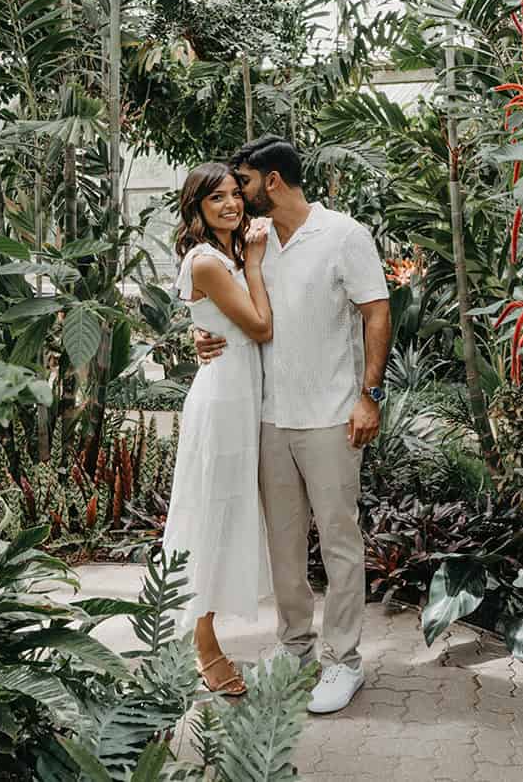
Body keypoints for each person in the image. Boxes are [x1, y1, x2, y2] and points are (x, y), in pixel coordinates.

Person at [194, 135, 392, 715]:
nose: (238, 195)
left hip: (331, 416)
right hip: (267, 417)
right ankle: (296, 649)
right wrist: (198, 336)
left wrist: (369, 397)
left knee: (339, 541)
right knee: (283, 545)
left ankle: (344, 662)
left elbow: (376, 312)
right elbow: (224, 307)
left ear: (272, 181)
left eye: (245, 183)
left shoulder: (344, 236)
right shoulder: (249, 243)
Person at [162, 161, 274, 696]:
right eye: (217, 199)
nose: (231, 204)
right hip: (223, 398)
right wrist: (252, 262)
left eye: (235, 194)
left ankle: (209, 634)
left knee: (229, 512)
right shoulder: (208, 260)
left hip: (241, 392)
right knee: (211, 515)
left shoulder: (229, 252)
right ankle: (203, 645)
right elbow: (258, 325)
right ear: (197, 209)